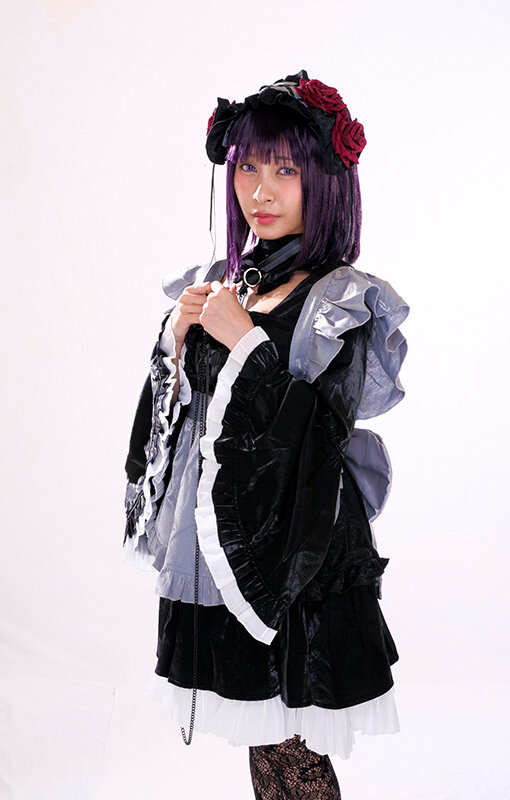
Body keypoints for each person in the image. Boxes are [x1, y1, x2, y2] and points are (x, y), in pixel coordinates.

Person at [122, 69, 410, 797]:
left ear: (325, 180)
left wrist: (245, 342)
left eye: (285, 170)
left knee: (293, 750)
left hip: (296, 550)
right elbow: (184, 428)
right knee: (264, 740)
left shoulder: (340, 299)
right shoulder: (226, 283)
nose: (261, 190)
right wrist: (178, 338)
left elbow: (319, 434)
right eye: (247, 167)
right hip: (222, 545)